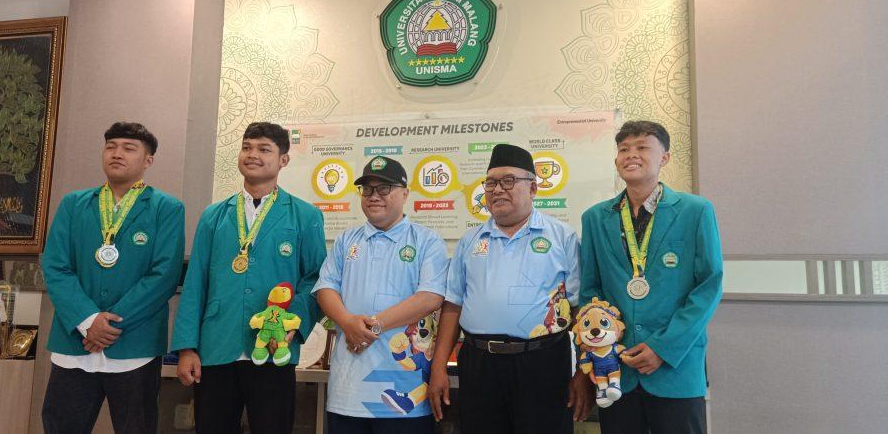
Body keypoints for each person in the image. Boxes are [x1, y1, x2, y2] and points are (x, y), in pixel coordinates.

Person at [171, 122, 326, 433]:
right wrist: (187, 347)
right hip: (216, 347)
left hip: (274, 349)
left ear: (283, 160)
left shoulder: (305, 215)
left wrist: (293, 324)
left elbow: (317, 279)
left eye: (264, 149)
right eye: (247, 147)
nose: (252, 154)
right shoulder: (214, 215)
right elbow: (196, 282)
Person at [428, 144, 591, 434]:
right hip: (479, 364)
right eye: (491, 183)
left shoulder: (562, 238)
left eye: (508, 181)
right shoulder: (470, 240)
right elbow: (453, 306)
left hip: (543, 362)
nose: (497, 190)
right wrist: (438, 367)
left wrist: (583, 371)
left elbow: (580, 309)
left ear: (533, 188)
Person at [580, 120, 723, 434]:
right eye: (624, 149)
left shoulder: (696, 210)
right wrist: (599, 348)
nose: (631, 154)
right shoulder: (594, 218)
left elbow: (708, 285)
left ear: (665, 157)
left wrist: (663, 348)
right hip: (616, 371)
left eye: (642, 147)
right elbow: (590, 290)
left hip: (676, 367)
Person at [42, 122, 185, 434]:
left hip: (135, 346)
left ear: (148, 160)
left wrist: (110, 325)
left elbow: (164, 275)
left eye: (129, 148)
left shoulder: (167, 208)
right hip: (74, 343)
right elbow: (55, 267)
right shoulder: (74, 204)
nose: (117, 153)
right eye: (111, 146)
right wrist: (88, 320)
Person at [313, 155, 449, 434]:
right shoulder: (346, 240)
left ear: (405, 194)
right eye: (367, 189)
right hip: (348, 389)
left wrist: (371, 327)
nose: (374, 196)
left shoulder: (427, 240)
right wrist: (348, 323)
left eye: (384, 188)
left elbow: (430, 297)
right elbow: (325, 289)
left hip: (404, 392)